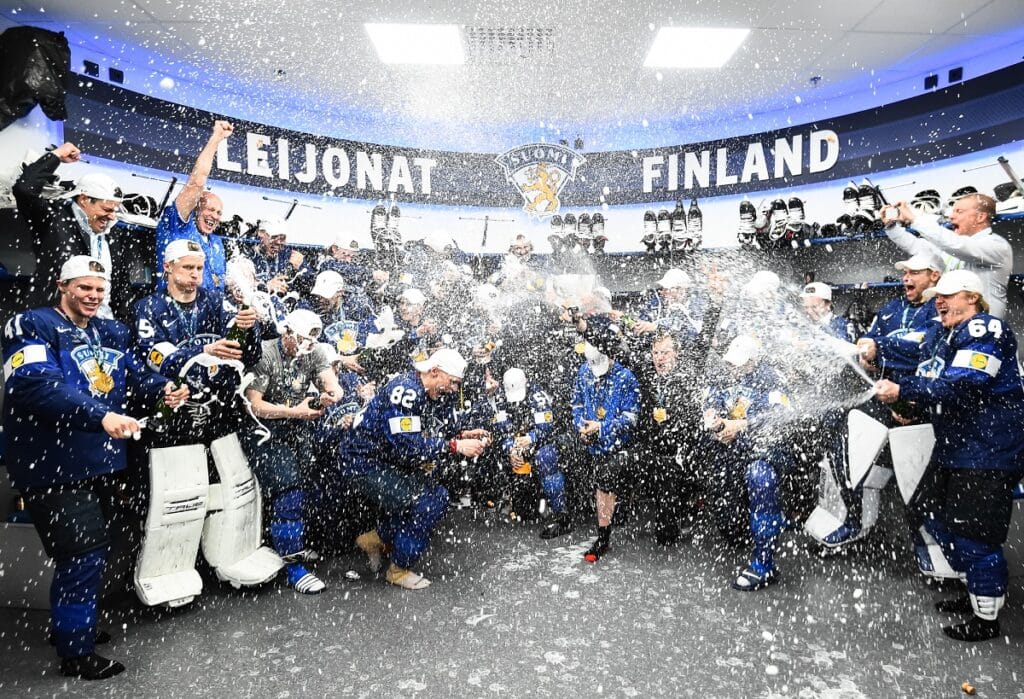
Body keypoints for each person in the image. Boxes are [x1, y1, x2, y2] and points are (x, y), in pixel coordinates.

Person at [1, 255, 187, 679]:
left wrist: (166, 389)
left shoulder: (111, 329)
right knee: (83, 557)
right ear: (64, 287)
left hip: (100, 463)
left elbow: (136, 374)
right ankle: (75, 654)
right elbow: (34, 385)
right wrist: (100, 416)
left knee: (88, 554)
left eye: (99, 289)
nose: (93, 296)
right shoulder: (32, 324)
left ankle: (69, 628)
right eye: (84, 287)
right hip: (54, 464)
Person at [871, 270, 1024, 641]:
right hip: (954, 450)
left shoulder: (985, 330)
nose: (940, 301)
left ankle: (986, 619)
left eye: (949, 295)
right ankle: (975, 591)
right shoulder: (945, 332)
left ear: (973, 297)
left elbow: (965, 385)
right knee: (931, 513)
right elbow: (913, 347)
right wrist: (873, 347)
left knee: (975, 536)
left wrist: (902, 388)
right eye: (938, 295)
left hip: (987, 453)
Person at [343, 348, 490, 589]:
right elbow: (407, 445)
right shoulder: (407, 392)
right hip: (365, 465)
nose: (453, 389)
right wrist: (455, 445)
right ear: (434, 372)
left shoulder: (421, 389)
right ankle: (398, 568)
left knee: (431, 496)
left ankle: (374, 539)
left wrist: (459, 434)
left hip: (380, 461)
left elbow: (421, 430)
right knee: (430, 501)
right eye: (452, 382)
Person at [241, 309, 343, 594]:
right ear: (286, 333)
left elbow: (332, 383)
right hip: (263, 431)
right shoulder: (265, 353)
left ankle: (291, 547)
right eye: (300, 341)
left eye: (310, 343)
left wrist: (330, 395)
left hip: (298, 427)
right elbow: (255, 405)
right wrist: (293, 411)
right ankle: (293, 566)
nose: (304, 348)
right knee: (289, 492)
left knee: (310, 485)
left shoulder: (314, 350)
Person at [131, 238, 262, 443]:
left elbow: (250, 355)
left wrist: (249, 328)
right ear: (168, 267)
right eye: (188, 267)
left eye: (200, 268)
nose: (195, 274)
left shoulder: (216, 302)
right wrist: (204, 351)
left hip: (218, 415)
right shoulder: (148, 308)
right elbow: (159, 361)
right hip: (174, 415)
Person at [704, 334, 795, 591]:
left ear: (754, 360)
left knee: (760, 478)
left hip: (766, 449)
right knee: (729, 526)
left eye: (740, 364)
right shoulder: (722, 377)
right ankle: (754, 527)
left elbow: (782, 415)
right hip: (731, 450)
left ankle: (764, 563)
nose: (734, 369)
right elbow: (709, 407)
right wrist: (714, 424)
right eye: (732, 363)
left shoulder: (772, 379)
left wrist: (741, 426)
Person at [13, 144, 130, 316]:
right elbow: (24, 190)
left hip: (102, 326)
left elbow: (120, 285)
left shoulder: (114, 234)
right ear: (84, 199)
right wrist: (56, 156)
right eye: (106, 210)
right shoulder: (53, 219)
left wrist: (122, 324)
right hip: (54, 323)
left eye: (115, 210)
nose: (112, 217)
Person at [883, 192, 1011, 317]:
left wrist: (914, 219)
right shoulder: (953, 246)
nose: (951, 216)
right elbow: (917, 247)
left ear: (980, 217)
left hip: (984, 330)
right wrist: (892, 227)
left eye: (959, 212)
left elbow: (956, 245)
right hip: (954, 325)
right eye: (952, 211)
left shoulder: (996, 245)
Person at [572, 343, 641, 563]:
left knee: (606, 476)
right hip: (590, 441)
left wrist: (602, 428)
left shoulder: (627, 378)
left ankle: (603, 537)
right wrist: (581, 427)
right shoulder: (583, 372)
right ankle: (567, 516)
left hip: (620, 445)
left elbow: (631, 419)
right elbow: (576, 405)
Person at [154, 120, 233, 292]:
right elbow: (197, 182)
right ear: (195, 208)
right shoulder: (177, 226)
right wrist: (216, 138)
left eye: (219, 212)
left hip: (211, 314)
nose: (215, 216)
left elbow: (221, 283)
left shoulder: (217, 243)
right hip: (174, 309)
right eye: (210, 210)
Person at [248, 218, 311, 297]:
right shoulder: (248, 257)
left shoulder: (289, 255)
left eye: (282, 238)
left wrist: (300, 268)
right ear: (261, 234)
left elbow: (312, 284)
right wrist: (267, 287)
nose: (278, 242)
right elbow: (241, 288)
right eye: (274, 237)